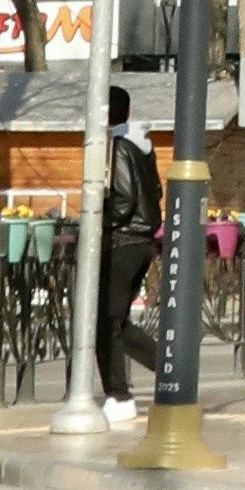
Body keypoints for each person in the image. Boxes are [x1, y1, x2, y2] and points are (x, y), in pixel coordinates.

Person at [96, 83, 162, 421]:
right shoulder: (143, 147)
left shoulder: (118, 146)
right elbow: (156, 191)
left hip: (121, 242)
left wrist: (98, 217)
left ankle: (119, 397)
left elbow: (123, 200)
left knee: (104, 321)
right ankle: (170, 368)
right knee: (117, 319)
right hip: (142, 243)